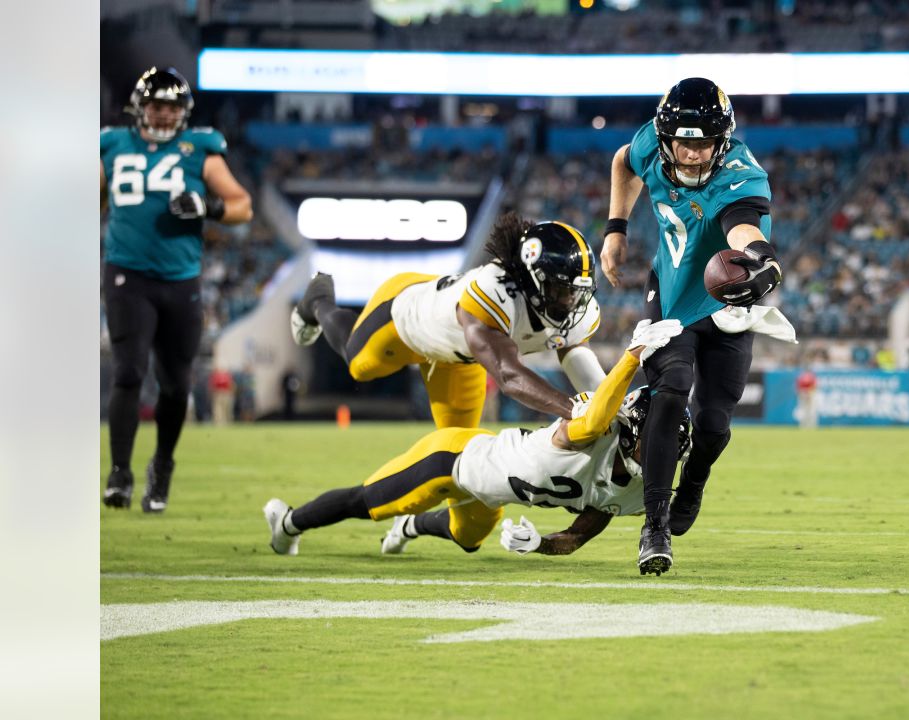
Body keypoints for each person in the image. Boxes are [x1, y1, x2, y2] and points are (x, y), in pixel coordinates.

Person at [262, 319, 686, 558]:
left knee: (467, 539)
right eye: (658, 442)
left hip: (492, 494)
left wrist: (540, 544)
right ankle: (287, 523)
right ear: (632, 428)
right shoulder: (594, 429)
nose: (664, 457)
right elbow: (593, 418)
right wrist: (631, 357)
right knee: (368, 501)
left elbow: (577, 536)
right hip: (453, 459)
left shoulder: (637, 493)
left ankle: (411, 526)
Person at [601, 77, 788, 575]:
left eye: (703, 142)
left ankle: (697, 478)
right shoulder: (649, 143)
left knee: (713, 425)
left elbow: (742, 228)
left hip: (726, 306)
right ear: (665, 136)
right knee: (670, 387)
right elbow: (624, 160)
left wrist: (761, 258)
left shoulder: (741, 176)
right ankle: (654, 528)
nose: (689, 152)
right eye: (682, 140)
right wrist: (616, 229)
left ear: (722, 140)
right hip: (669, 293)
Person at [290, 214, 608, 430]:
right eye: (558, 289)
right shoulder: (494, 290)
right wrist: (574, 408)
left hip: (461, 357)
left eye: (574, 292)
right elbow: (509, 376)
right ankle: (318, 299)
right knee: (359, 363)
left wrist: (609, 404)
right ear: (529, 277)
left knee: (456, 452)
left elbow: (574, 350)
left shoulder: (575, 307)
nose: (569, 301)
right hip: (408, 314)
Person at [101, 67, 253, 512]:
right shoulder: (111, 145)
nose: (165, 115)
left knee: (175, 385)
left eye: (172, 107)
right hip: (127, 274)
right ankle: (120, 474)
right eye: (157, 106)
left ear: (183, 112)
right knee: (128, 371)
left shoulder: (200, 149)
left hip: (180, 278)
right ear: (140, 108)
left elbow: (242, 206)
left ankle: (161, 466)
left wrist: (208, 206)